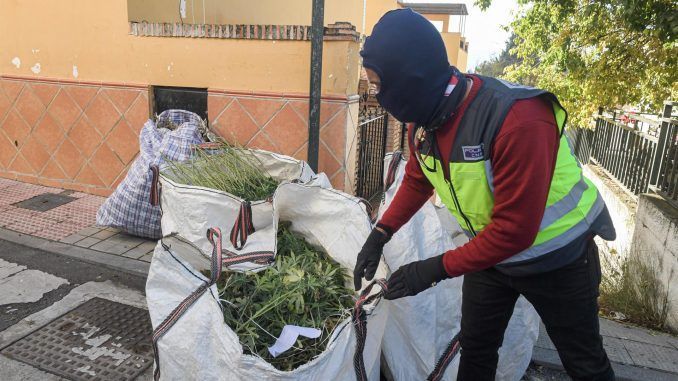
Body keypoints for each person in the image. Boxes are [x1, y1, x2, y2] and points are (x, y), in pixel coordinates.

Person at [353, 9, 617, 381]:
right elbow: (419, 176)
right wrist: (381, 232)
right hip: (491, 258)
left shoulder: (518, 120)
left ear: (410, 79)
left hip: (559, 258)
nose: (378, 97)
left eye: (380, 85)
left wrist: (431, 270)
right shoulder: (426, 116)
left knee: (584, 362)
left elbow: (514, 231)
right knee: (476, 351)